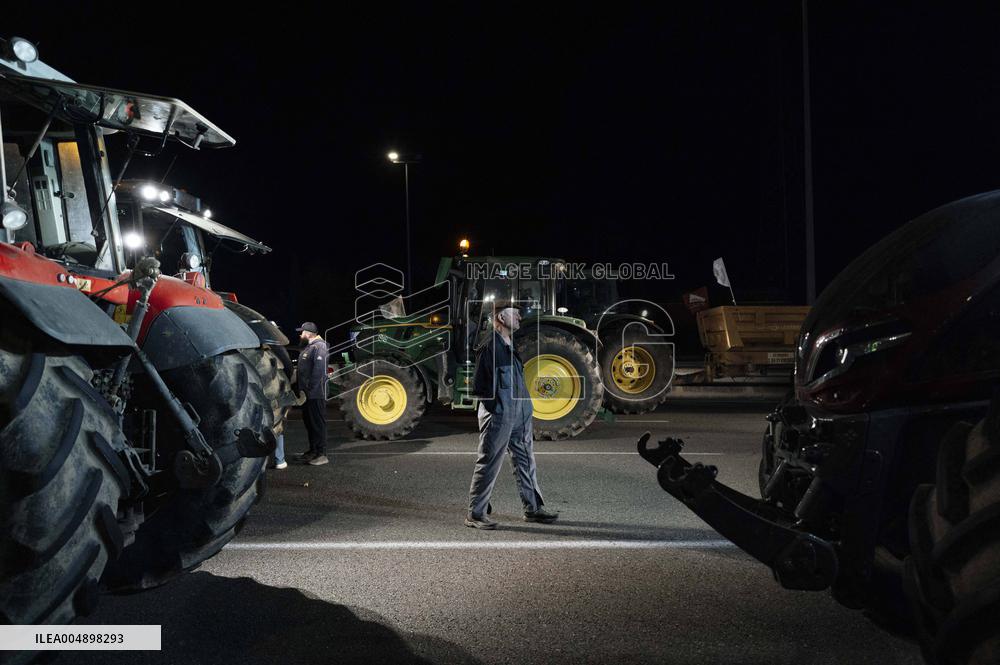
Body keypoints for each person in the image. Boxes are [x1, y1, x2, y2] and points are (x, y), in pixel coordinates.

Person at [466, 302, 558, 529]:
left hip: (520, 413)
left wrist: (524, 410)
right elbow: (481, 386)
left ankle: (533, 509)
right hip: (500, 413)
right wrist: (497, 409)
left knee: (526, 460)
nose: (519, 314)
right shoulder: (490, 346)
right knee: (489, 461)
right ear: (500, 317)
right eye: (513, 311)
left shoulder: (509, 343)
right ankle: (475, 514)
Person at [294, 322, 330, 466]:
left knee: (317, 424)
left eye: (302, 332)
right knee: (310, 424)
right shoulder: (309, 347)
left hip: (316, 394)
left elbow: (319, 372)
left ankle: (322, 454)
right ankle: (313, 451)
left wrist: (309, 390)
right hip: (308, 394)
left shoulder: (319, 346)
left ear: (308, 333)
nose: (300, 334)